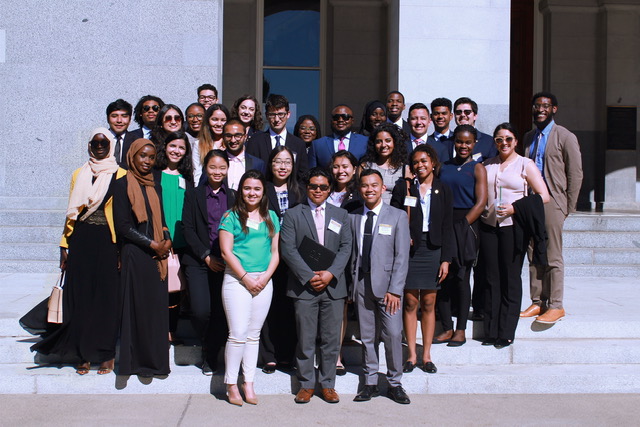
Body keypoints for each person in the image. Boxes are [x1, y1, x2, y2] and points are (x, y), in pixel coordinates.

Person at [31, 128, 126, 375]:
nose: (99, 146)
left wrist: (121, 249)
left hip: (108, 241)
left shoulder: (121, 174)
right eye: (95, 143)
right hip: (81, 240)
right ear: (89, 146)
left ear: (111, 146)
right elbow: (71, 211)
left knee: (106, 298)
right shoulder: (79, 173)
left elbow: (122, 215)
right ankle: (83, 354)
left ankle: (105, 354)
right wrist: (64, 245)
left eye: (104, 142)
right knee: (81, 297)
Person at [280, 168, 352, 404]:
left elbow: (346, 248)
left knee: (331, 339)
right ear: (306, 187)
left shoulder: (341, 215)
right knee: (306, 338)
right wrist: (309, 275)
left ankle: (328, 384)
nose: (318, 190)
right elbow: (288, 249)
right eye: (313, 186)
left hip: (333, 287)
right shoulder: (292, 215)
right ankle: (306, 384)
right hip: (304, 286)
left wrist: (330, 274)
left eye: (323, 187)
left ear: (329, 188)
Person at [480, 123, 550, 348]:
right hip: (489, 226)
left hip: (513, 226)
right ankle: (490, 329)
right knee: (491, 278)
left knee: (509, 278)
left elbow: (543, 196)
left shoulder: (525, 164)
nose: (504, 143)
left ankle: (506, 331)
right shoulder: (487, 164)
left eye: (508, 139)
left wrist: (515, 208)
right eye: (499, 139)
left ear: (516, 141)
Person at [390, 144, 454, 374]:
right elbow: (395, 215)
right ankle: (411, 356)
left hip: (433, 249)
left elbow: (448, 226)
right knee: (410, 302)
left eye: (424, 161)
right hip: (411, 250)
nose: (420, 165)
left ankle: (426, 356)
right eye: (416, 162)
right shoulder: (404, 187)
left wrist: (446, 259)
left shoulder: (443, 189)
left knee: (428, 302)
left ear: (434, 163)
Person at [349, 169, 411, 404]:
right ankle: (371, 381)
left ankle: (395, 382)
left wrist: (395, 289)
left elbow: (402, 256)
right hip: (362, 284)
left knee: (393, 334)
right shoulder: (354, 216)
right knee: (367, 336)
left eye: (374, 185)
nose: (369, 189)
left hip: (388, 288)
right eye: (365, 185)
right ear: (360, 189)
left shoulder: (397, 216)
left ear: (383, 188)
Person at [521, 92, 583, 324]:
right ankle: (538, 302)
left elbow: (575, 173)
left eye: (545, 106)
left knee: (552, 255)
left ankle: (556, 305)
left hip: (553, 202)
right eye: (536, 106)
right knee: (533, 251)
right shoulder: (528, 137)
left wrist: (567, 206)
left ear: (554, 109)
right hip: (532, 202)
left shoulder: (565, 136)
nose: (540, 110)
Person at [219, 170, 280, 406]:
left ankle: (249, 383)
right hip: (237, 280)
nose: (251, 193)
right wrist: (245, 277)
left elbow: (276, 253)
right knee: (237, 335)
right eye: (247, 188)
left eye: (256, 188)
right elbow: (226, 252)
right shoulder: (231, 216)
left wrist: (264, 278)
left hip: (263, 280)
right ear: (240, 190)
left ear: (263, 191)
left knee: (254, 335)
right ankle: (231, 384)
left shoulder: (271, 217)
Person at [114, 138, 172, 377]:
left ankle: (156, 364)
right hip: (136, 256)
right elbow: (123, 226)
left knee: (155, 312)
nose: (147, 161)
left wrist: (166, 239)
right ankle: (135, 364)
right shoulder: (120, 184)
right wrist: (152, 245)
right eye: (143, 156)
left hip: (157, 258)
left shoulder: (154, 184)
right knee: (136, 311)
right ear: (132, 156)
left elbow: (163, 219)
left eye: (151, 157)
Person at [182, 149, 236, 375]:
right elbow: (188, 228)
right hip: (199, 261)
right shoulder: (194, 194)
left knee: (222, 311)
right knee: (201, 310)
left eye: (222, 167)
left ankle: (212, 356)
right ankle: (206, 344)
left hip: (226, 262)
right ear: (205, 169)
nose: (217, 171)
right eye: (213, 167)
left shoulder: (234, 196)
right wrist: (205, 255)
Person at [433, 125, 488, 346]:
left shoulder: (477, 168)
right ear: (453, 142)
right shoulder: (442, 167)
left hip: (466, 224)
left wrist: (463, 225)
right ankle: (446, 327)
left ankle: (461, 329)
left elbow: (481, 201)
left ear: (474, 144)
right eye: (459, 141)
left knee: (462, 277)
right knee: (442, 277)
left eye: (467, 142)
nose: (463, 146)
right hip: (443, 222)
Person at [259, 146, 304, 373]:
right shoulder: (263, 189)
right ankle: (269, 355)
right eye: (278, 161)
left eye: (287, 162)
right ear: (270, 164)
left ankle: (288, 355)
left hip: (294, 259)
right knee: (268, 306)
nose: (283, 166)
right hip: (267, 255)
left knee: (290, 307)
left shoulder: (300, 191)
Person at [153, 131, 194, 344]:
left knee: (177, 290)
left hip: (183, 242)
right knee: (160, 288)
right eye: (173, 146)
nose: (176, 151)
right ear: (165, 147)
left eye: (181, 148)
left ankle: (172, 329)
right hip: (160, 240)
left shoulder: (188, 178)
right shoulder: (155, 174)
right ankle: (158, 329)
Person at [245, 94, 308, 179]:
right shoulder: (256, 141)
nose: (277, 119)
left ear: (288, 114)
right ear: (267, 115)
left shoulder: (298, 144)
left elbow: (302, 176)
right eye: (272, 115)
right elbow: (250, 172)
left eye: (281, 114)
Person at [359, 122, 409, 203]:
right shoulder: (365, 166)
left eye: (388, 140)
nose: (383, 145)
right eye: (379, 141)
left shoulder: (404, 169)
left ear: (395, 142)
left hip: (394, 213)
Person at [308, 104, 368, 168]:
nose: (340, 120)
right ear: (331, 121)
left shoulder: (365, 142)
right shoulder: (317, 145)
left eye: (345, 117)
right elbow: (312, 173)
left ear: (352, 121)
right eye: (336, 117)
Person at [222, 119, 266, 190]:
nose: (233, 140)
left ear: (245, 137)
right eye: (228, 136)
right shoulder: (214, 160)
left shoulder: (257, 164)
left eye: (238, 135)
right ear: (223, 137)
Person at [453, 97, 498, 162]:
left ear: (475, 116)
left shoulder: (489, 142)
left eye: (467, 112)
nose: (462, 115)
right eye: (458, 112)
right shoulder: (447, 142)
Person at [194, 104, 230, 183]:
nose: (219, 124)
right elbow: (197, 172)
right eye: (214, 119)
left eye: (223, 120)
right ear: (208, 121)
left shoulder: (231, 143)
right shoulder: (199, 144)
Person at [106, 99, 133, 167]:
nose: (119, 120)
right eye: (114, 116)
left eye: (124, 116)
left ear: (129, 120)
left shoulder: (136, 141)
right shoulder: (101, 139)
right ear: (107, 119)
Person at [427, 98, 455, 162]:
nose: (440, 117)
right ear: (431, 117)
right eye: (436, 114)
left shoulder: (457, 140)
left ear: (451, 116)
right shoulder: (426, 142)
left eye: (444, 113)